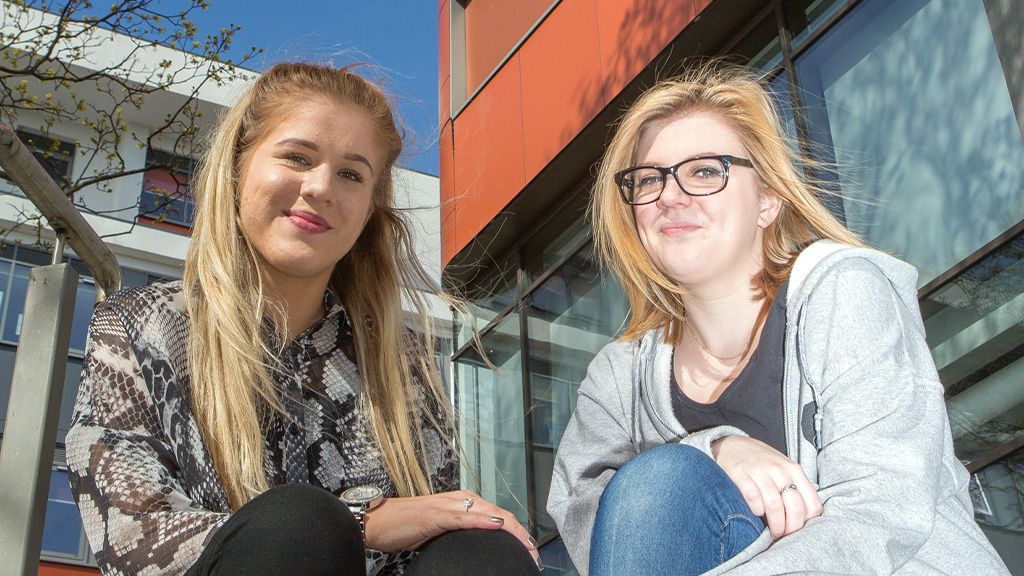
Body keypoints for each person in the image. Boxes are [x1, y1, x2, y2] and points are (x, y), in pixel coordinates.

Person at [66, 62, 541, 576]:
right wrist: (360, 522)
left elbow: (425, 538)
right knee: (299, 525)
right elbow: (133, 533)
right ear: (237, 168)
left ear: (368, 212)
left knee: (480, 551)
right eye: (297, 157)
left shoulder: (400, 364)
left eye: (352, 174)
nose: (321, 188)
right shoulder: (138, 327)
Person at [546, 63, 1010, 576]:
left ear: (767, 201)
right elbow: (584, 514)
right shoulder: (617, 377)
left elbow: (881, 509)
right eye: (650, 179)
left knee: (660, 483)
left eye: (704, 171)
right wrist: (714, 449)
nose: (670, 196)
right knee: (658, 485)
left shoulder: (842, 293)